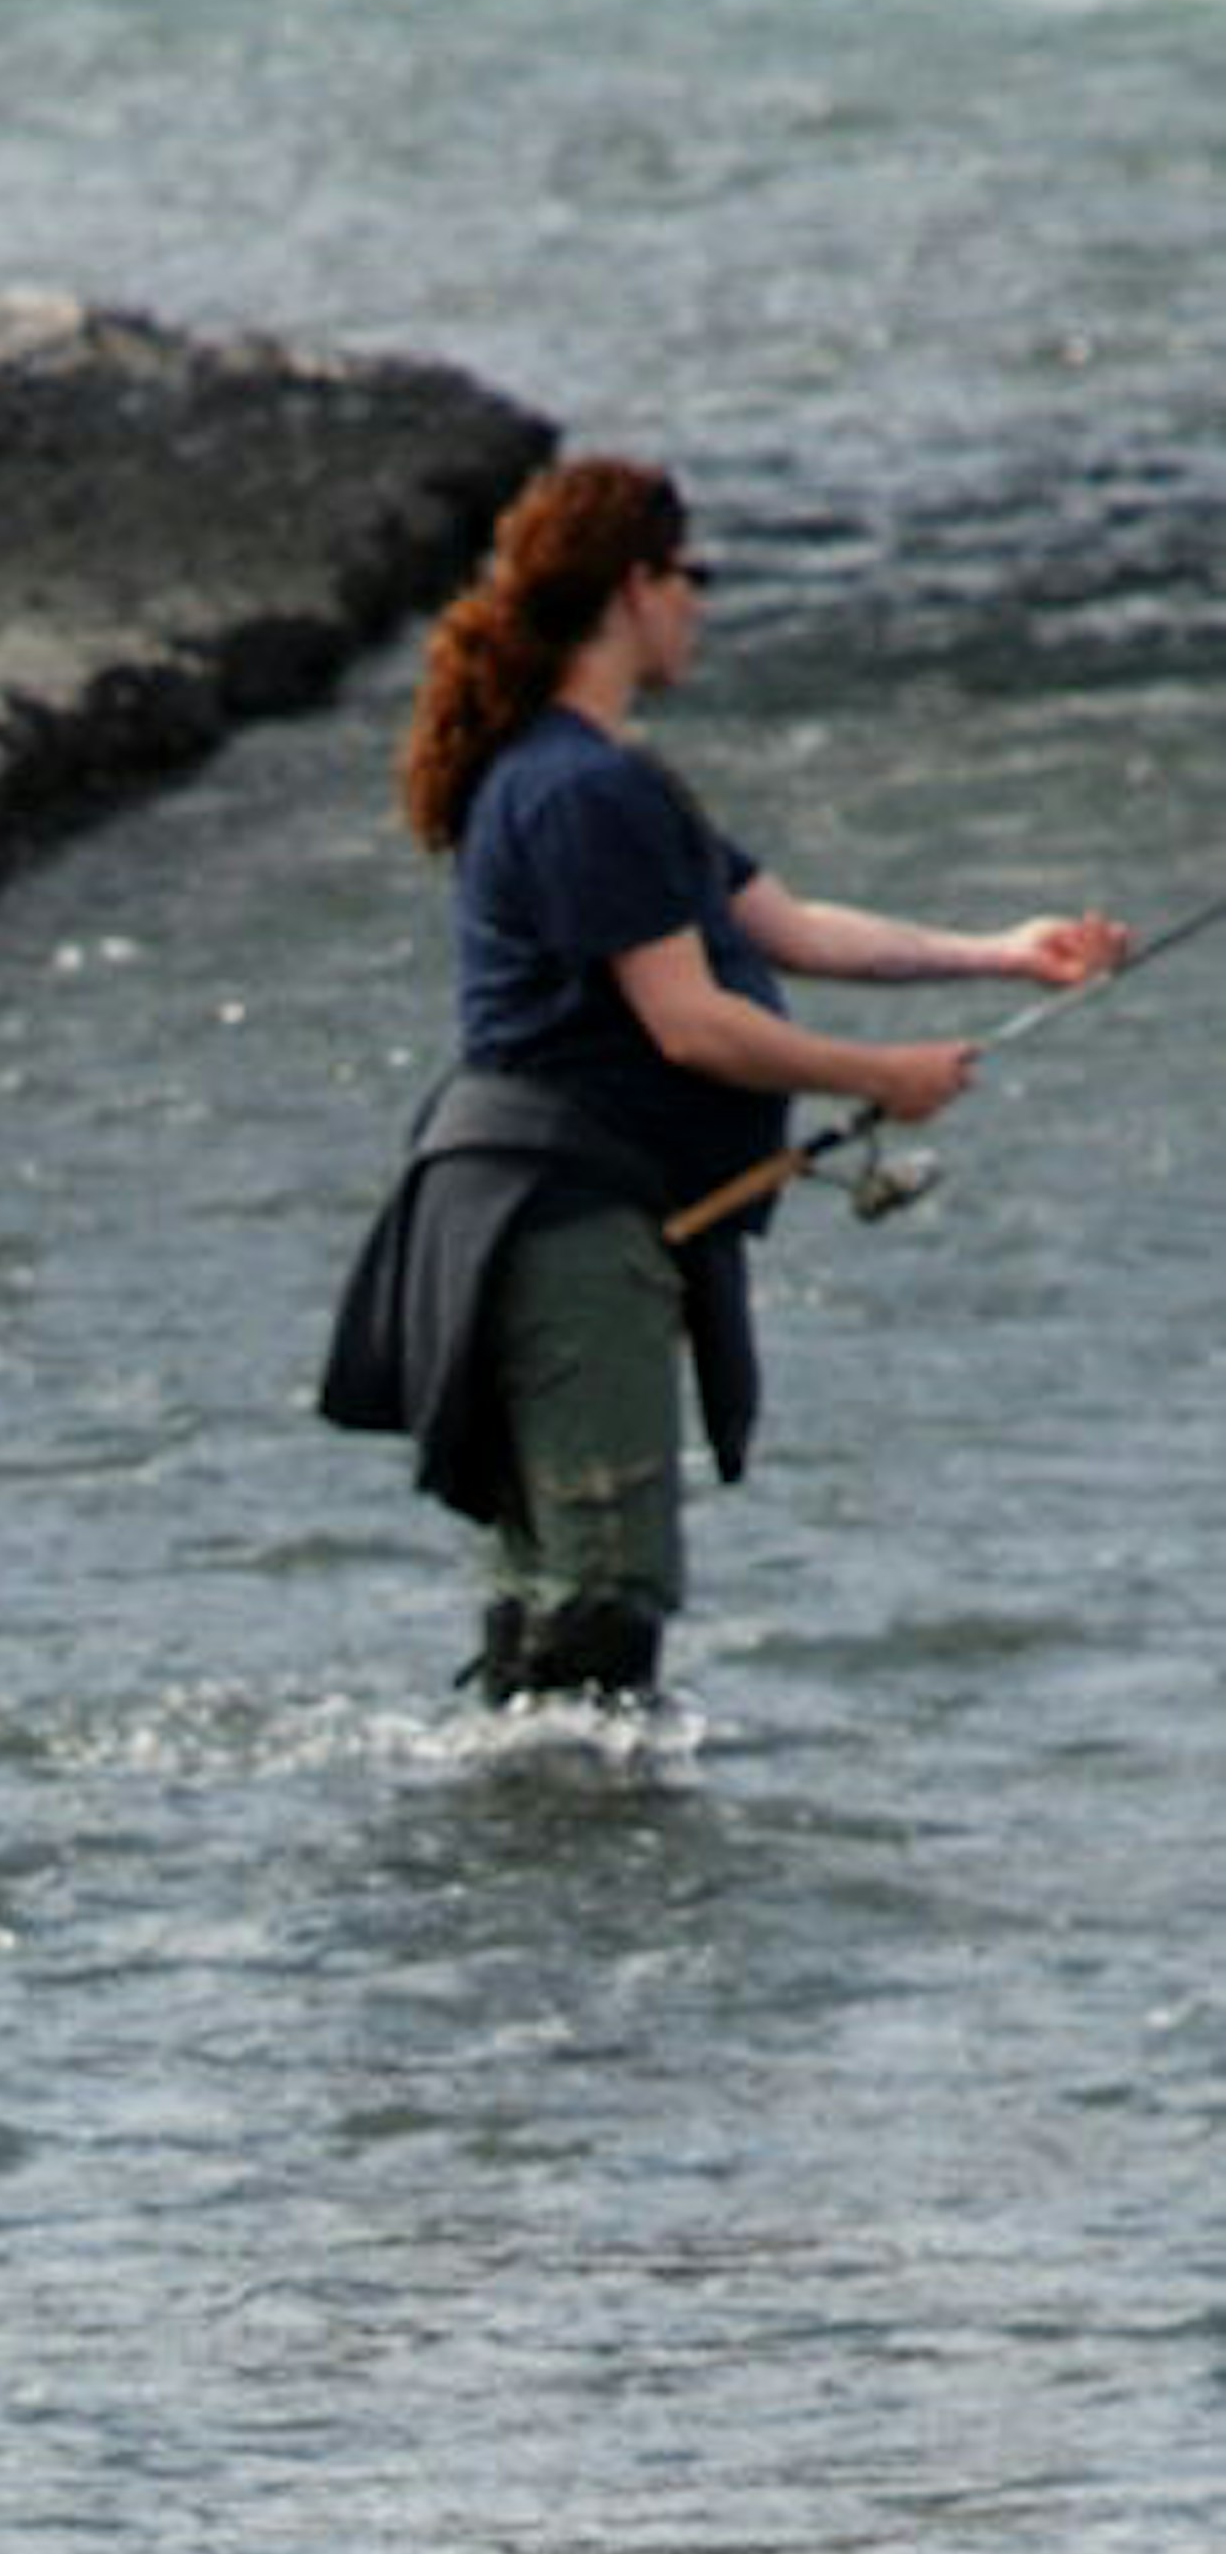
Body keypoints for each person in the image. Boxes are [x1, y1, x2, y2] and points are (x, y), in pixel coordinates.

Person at [323, 452, 1125, 1703]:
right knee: (602, 1591)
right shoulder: (580, 789)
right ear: (633, 588)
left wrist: (1004, 955)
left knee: (558, 1599)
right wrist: (880, 1075)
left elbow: (793, 928)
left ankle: (531, 1862)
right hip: (561, 1223)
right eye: (690, 576)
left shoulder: (607, 778)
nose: (702, 601)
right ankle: (585, 1872)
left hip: (538, 1210)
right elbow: (690, 1024)